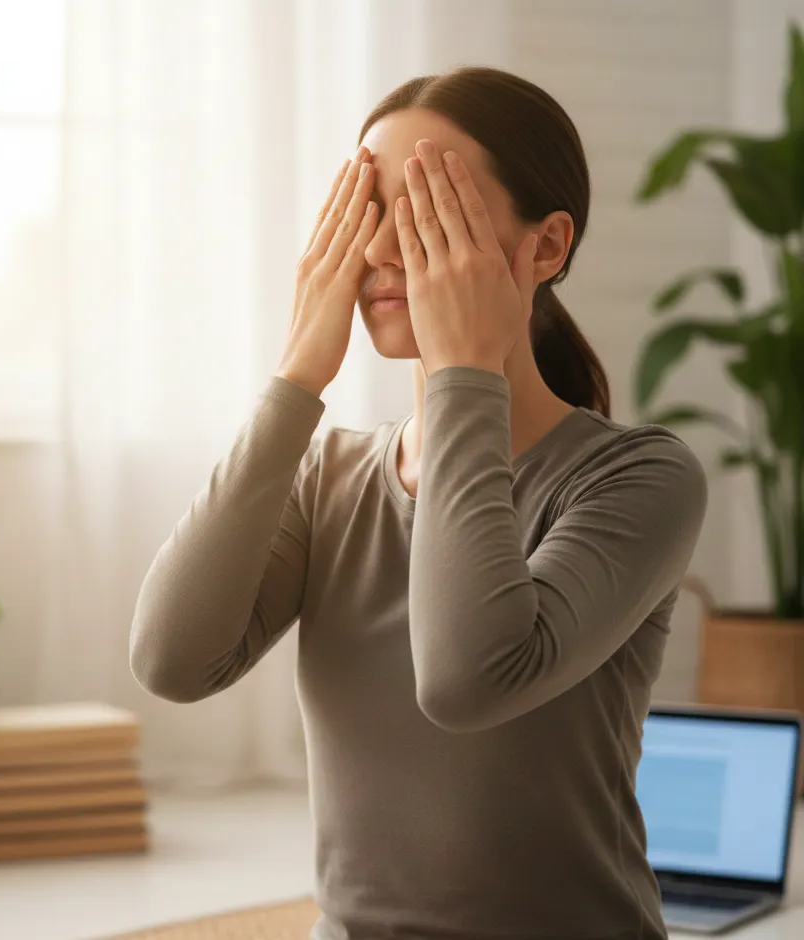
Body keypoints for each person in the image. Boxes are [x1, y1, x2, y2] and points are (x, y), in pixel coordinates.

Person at [130, 66, 707, 940]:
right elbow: (171, 661)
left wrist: (465, 370)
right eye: (367, 213)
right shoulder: (332, 474)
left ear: (547, 247)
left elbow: (468, 679)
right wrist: (297, 378)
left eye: (428, 212)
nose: (380, 252)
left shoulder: (638, 478)